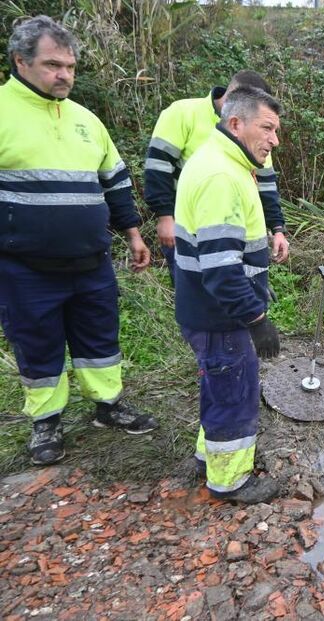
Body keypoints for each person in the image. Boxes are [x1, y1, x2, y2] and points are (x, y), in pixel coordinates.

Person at [0, 16, 158, 466]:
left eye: (69, 66)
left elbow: (116, 182)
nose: (64, 75)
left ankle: (108, 406)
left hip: (92, 261)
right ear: (21, 61)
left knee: (101, 338)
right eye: (53, 65)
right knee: (37, 343)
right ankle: (46, 422)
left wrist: (133, 234)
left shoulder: (86, 120)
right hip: (24, 267)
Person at [173, 86, 283, 504]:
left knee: (218, 386)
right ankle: (231, 481)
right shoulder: (221, 175)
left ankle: (209, 457)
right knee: (235, 393)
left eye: (276, 130)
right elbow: (221, 270)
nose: (274, 140)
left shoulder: (222, 162)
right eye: (267, 128)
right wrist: (256, 318)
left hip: (208, 312)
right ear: (235, 123)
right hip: (220, 316)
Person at [144, 70, 289, 276]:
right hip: (190, 228)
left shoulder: (258, 134)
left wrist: (277, 229)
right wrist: (164, 217)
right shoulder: (183, 112)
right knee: (197, 285)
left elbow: (266, 185)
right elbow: (158, 167)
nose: (274, 140)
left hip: (236, 230)